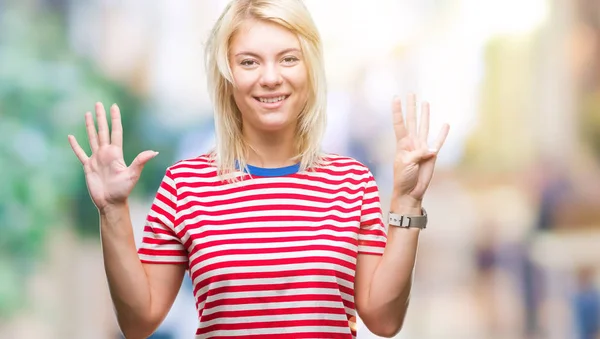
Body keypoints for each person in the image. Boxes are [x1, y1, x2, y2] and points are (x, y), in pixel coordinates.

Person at [67, 0, 450, 338]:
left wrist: (407, 200)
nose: (270, 77)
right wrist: (113, 210)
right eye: (249, 62)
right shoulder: (185, 186)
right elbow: (139, 323)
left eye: (288, 58)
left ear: (310, 70)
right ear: (227, 77)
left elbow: (384, 321)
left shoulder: (352, 183)